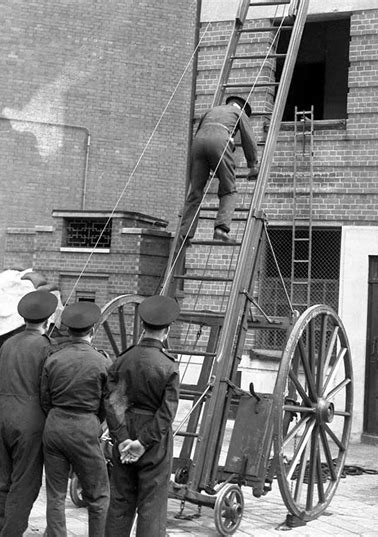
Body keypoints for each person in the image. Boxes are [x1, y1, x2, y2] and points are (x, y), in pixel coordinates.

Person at [105, 294, 181, 537]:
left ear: (144, 327)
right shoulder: (169, 366)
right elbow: (167, 412)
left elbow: (113, 403)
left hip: (125, 431)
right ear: (166, 331)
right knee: (151, 505)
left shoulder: (122, 360)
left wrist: (124, 438)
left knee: (120, 501)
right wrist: (142, 443)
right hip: (154, 441)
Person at [0, 289, 58, 537]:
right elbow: (49, 390)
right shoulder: (47, 347)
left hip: (2, 416)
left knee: (3, 478)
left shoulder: (8, 344)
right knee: (25, 483)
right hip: (30, 420)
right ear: (48, 320)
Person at [40, 301, 110, 537]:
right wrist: (93, 421)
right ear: (93, 330)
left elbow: (45, 399)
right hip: (85, 428)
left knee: (56, 495)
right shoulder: (102, 362)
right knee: (98, 496)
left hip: (55, 426)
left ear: (68, 331)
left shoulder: (53, 358)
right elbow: (107, 405)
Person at [179, 95, 259, 245]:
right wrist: (252, 165)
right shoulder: (239, 113)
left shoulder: (210, 111)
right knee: (229, 189)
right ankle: (221, 229)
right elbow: (249, 139)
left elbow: (200, 134)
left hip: (198, 144)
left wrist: (205, 166)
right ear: (241, 108)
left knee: (195, 191)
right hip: (220, 141)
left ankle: (184, 234)